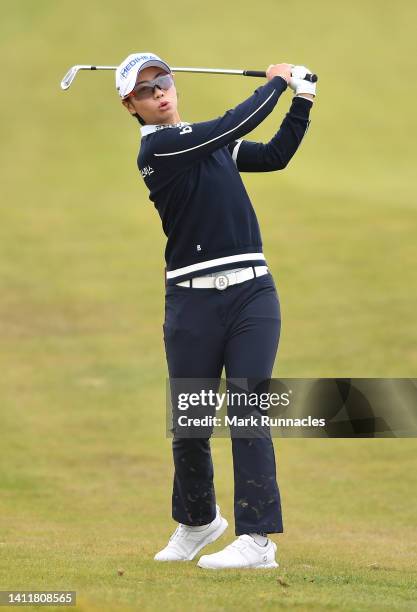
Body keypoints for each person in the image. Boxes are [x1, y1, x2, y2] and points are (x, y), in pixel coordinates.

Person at [116, 52, 316, 569]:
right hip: (191, 300)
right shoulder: (158, 150)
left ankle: (257, 541)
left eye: (163, 81)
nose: (159, 92)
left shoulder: (209, 145)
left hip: (252, 293)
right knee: (190, 421)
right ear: (130, 106)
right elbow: (234, 123)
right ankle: (199, 522)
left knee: (248, 408)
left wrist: (303, 101)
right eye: (145, 90)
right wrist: (276, 84)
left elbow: (272, 156)